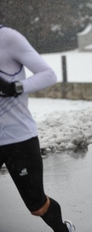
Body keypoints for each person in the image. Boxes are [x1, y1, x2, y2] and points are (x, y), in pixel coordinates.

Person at [0, 26, 75, 231]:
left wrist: (16, 87)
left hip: (18, 138)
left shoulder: (8, 38)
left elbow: (48, 74)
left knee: (37, 207)